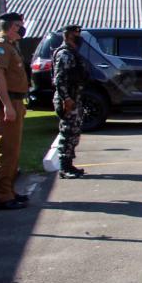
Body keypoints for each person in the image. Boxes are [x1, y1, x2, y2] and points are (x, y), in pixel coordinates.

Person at [0, 12, 30, 209]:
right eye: (20, 25)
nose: (22, 28)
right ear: (12, 26)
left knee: (13, 149)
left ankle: (8, 190)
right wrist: (8, 106)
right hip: (6, 102)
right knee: (6, 150)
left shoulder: (10, 45)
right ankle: (3, 196)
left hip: (15, 100)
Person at [52, 25, 90, 178]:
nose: (79, 37)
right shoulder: (64, 54)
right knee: (67, 132)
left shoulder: (73, 53)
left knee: (74, 132)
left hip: (75, 98)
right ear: (67, 36)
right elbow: (59, 79)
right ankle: (64, 167)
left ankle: (69, 164)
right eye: (76, 34)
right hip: (67, 99)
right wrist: (66, 99)